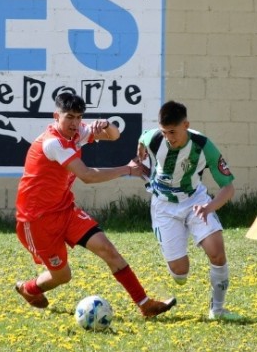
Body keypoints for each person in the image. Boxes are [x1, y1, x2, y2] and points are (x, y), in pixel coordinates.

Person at [14, 92, 176, 318]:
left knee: (108, 249)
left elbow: (115, 135)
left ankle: (145, 304)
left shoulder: (77, 131)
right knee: (62, 276)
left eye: (79, 117)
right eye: (69, 117)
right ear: (55, 116)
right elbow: (87, 176)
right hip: (37, 220)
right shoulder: (53, 143)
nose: (75, 123)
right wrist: (127, 170)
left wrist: (107, 125)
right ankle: (28, 288)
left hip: (65, 210)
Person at [137, 100, 241, 320]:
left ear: (186, 125)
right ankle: (176, 248)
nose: (168, 137)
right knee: (180, 274)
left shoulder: (204, 146)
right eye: (164, 132)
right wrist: (140, 148)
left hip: (196, 201)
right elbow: (144, 136)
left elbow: (228, 188)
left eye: (172, 132)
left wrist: (209, 206)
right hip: (164, 206)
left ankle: (218, 310)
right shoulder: (155, 138)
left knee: (217, 253)